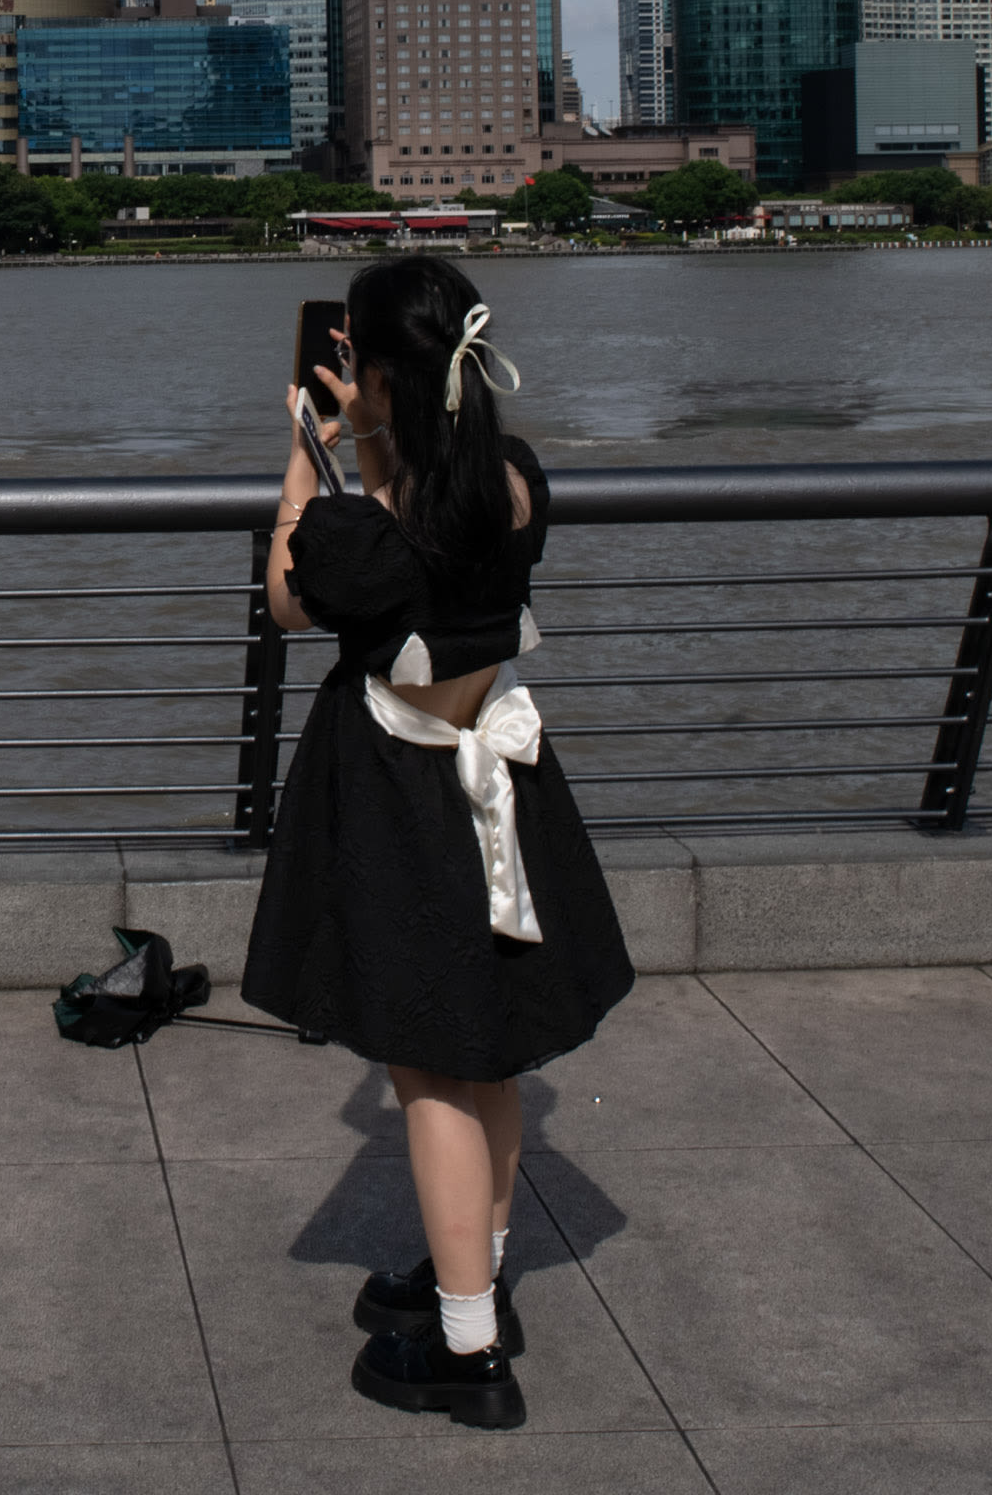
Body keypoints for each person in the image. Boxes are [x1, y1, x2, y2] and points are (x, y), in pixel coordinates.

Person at [241, 256, 631, 1431]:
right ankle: (481, 1281)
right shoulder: (512, 481)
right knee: (492, 1051)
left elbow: (290, 596)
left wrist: (304, 456)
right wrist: (373, 431)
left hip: (401, 791)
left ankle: (468, 1353)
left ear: (374, 367)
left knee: (429, 1070)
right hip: (503, 776)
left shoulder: (366, 523)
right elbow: (421, 537)